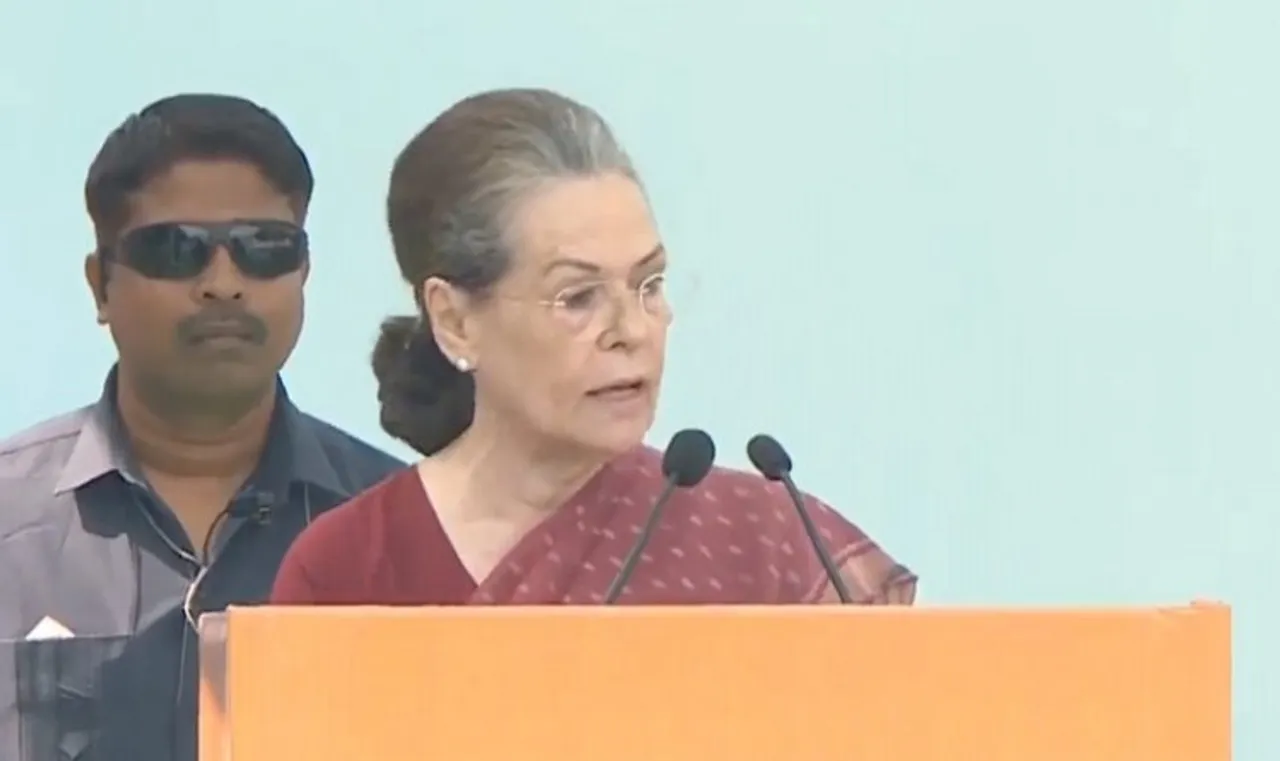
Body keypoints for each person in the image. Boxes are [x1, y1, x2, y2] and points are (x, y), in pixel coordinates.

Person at [270, 88, 916, 607]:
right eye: (578, 296)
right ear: (455, 319)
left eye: (649, 284)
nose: (632, 329)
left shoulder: (766, 542)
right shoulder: (351, 568)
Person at [0, 94, 403, 761]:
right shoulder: (12, 525)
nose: (224, 283)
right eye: (177, 249)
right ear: (101, 286)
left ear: (304, 271)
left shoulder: (400, 530)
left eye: (263, 249)